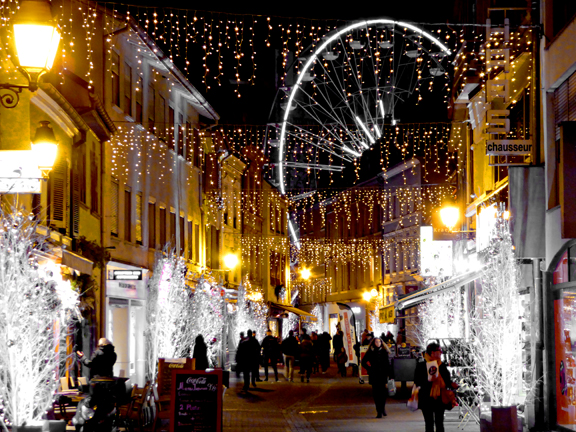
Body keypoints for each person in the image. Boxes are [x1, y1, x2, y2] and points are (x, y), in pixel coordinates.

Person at [414, 342, 458, 432]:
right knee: (429, 423)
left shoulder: (441, 365)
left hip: (439, 398)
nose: (441, 352)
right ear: (432, 353)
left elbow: (447, 380)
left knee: (439, 423)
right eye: (439, 351)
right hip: (426, 397)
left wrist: (451, 384)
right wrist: (429, 381)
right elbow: (417, 381)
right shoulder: (421, 365)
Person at [361, 337, 391, 418]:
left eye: (379, 342)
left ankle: (382, 408)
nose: (378, 343)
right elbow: (363, 362)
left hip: (383, 374)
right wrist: (369, 368)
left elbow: (388, 364)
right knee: (376, 393)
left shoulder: (384, 351)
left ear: (381, 343)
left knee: (383, 393)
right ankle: (379, 411)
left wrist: (390, 375)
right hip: (374, 374)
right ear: (373, 343)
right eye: (376, 342)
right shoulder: (371, 352)